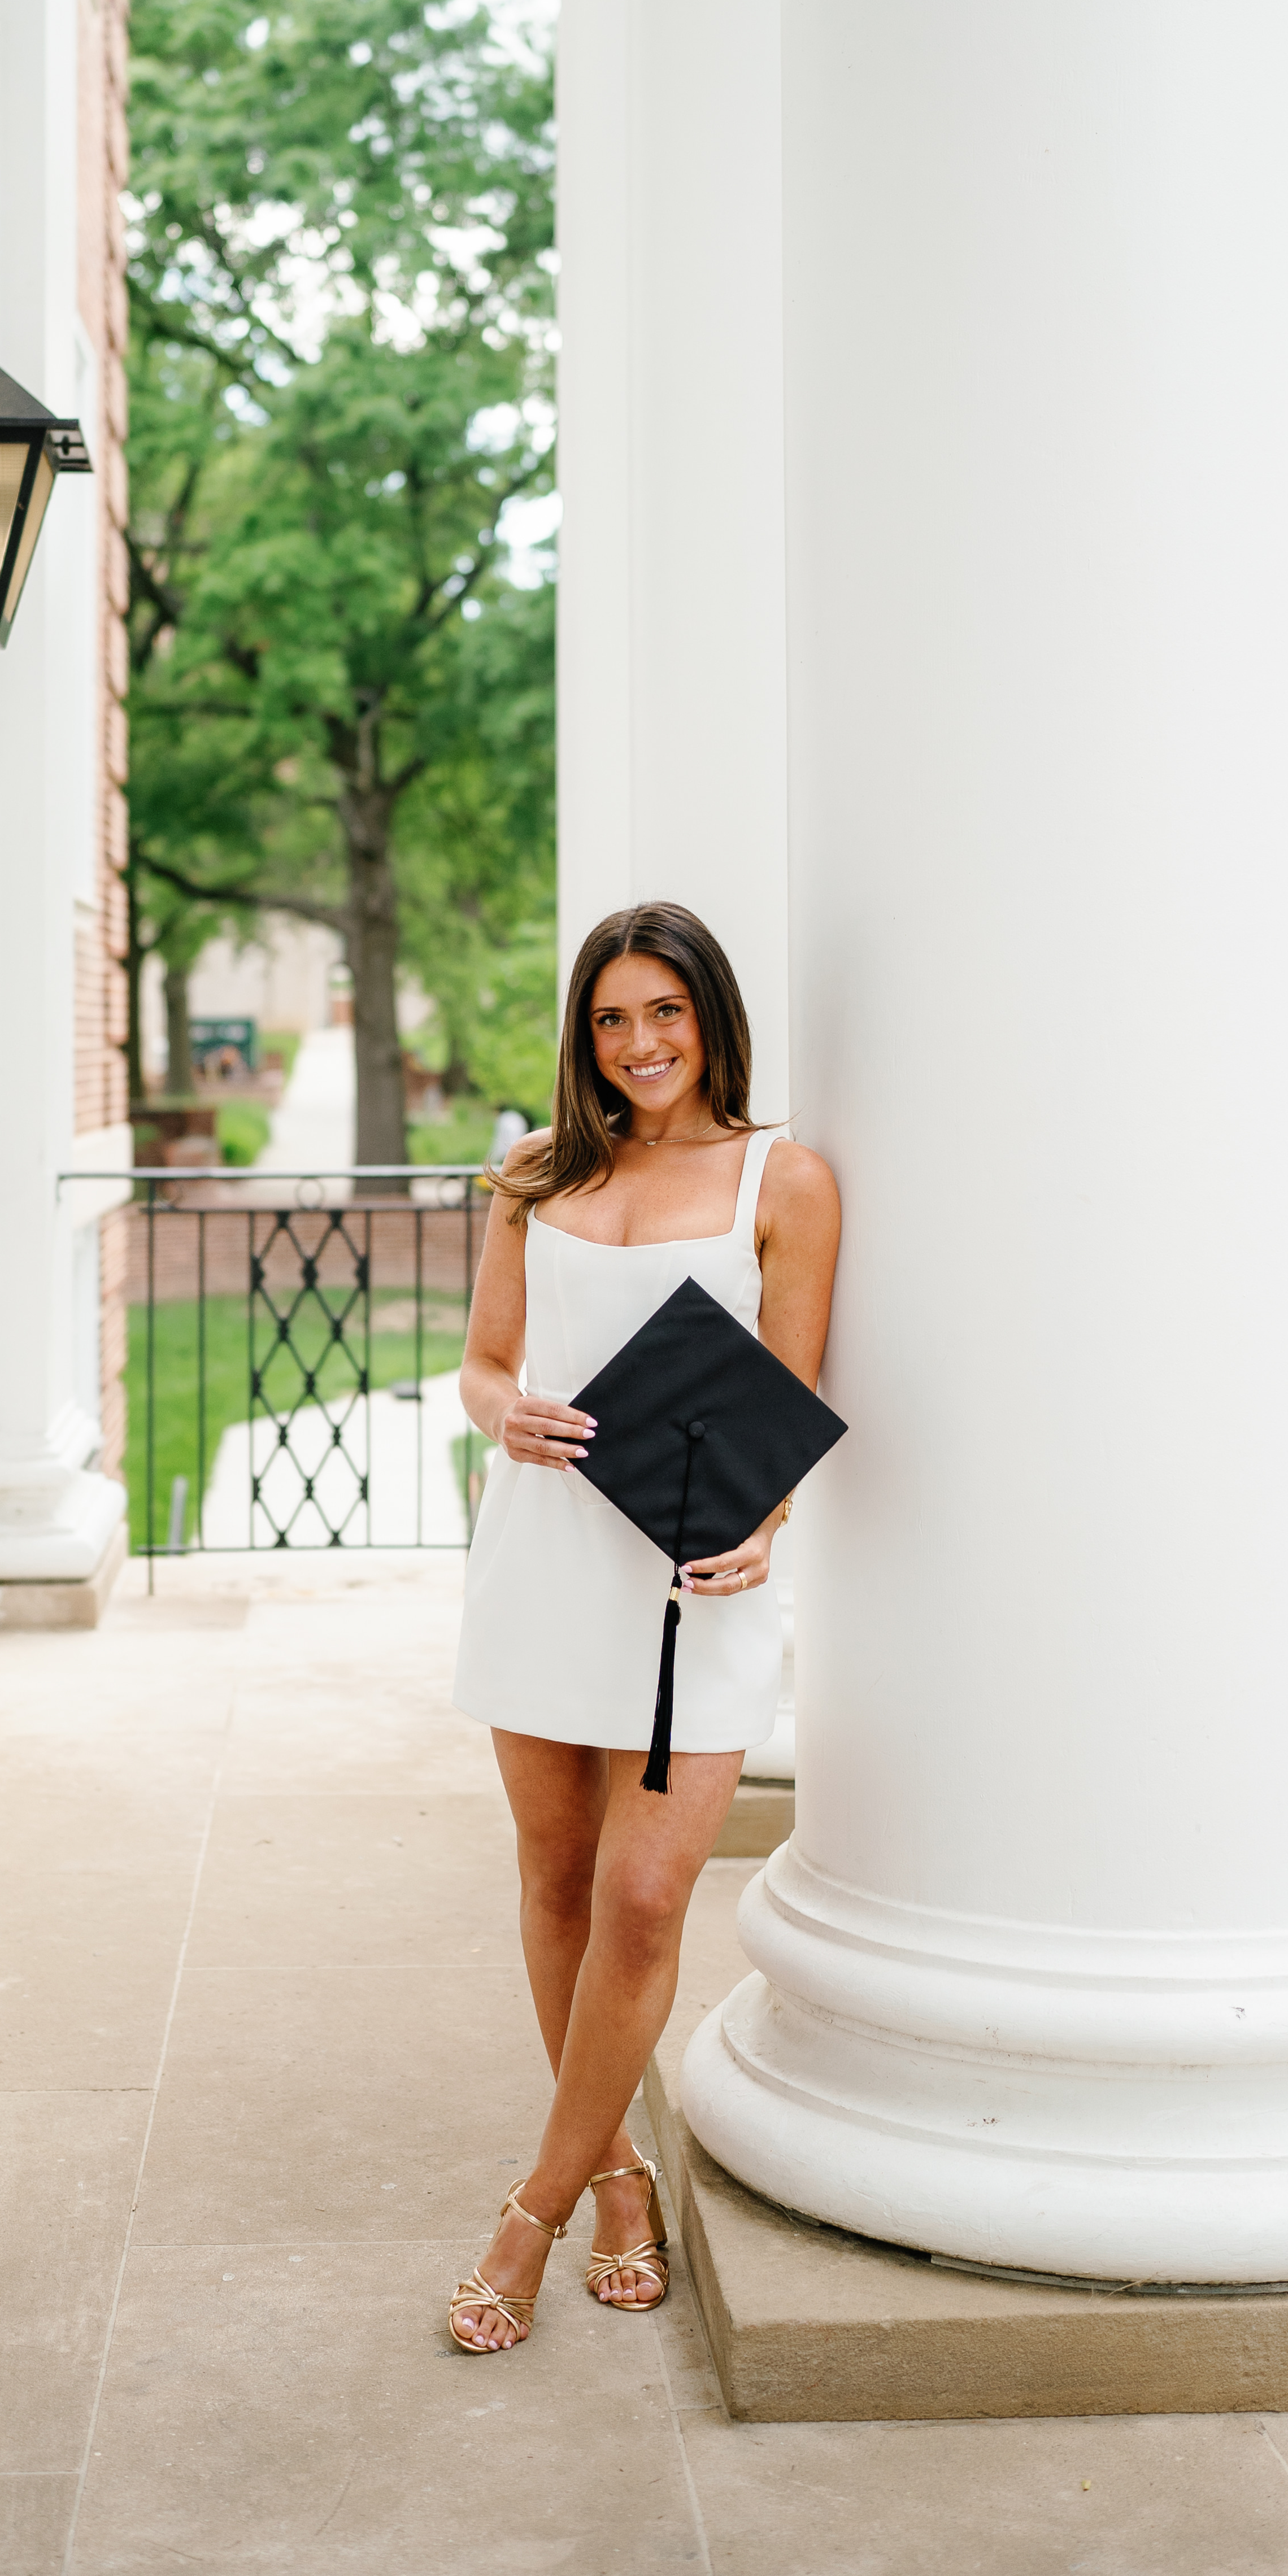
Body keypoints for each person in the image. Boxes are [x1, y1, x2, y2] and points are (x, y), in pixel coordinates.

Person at [446, 901, 841, 2353]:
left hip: (687, 1583)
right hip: (543, 1554)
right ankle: (616, 2175)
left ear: (709, 1018)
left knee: (645, 1900)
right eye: (610, 1019)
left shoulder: (780, 1183)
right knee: (555, 1885)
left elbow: (786, 1402)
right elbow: (482, 1368)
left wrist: (763, 1522)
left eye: (662, 1013)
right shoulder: (538, 1174)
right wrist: (512, 1418)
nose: (638, 1044)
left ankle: (528, 2211)